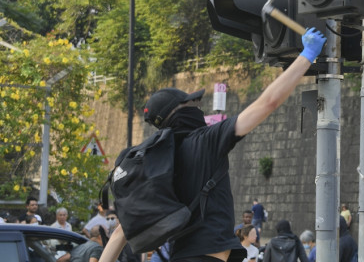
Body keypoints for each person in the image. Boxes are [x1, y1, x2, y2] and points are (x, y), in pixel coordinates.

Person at [100, 27, 326, 262]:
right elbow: (267, 103)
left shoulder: (157, 166)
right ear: (179, 112)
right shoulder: (205, 140)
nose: (198, 107)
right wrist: (306, 56)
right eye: (191, 104)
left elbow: (120, 233)